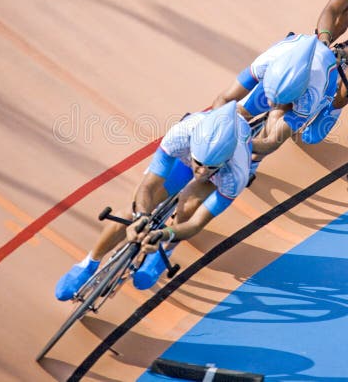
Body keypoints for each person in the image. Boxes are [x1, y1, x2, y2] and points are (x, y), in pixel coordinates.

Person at [55, 100, 252, 298]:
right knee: (131, 212)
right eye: (199, 163)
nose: (200, 172)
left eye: (209, 167)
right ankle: (89, 262)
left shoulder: (236, 175)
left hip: (217, 178)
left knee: (189, 207)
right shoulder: (181, 135)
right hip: (183, 159)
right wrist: (141, 215)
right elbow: (148, 186)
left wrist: (165, 234)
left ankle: (165, 252)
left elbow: (196, 223)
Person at [212, 33, 348, 165]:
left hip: (324, 79)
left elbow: (272, 142)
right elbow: (225, 98)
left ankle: (254, 162)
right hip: (291, 60)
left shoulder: (309, 98)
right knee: (240, 112)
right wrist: (218, 127)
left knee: (281, 121)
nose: (271, 104)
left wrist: (241, 146)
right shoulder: (263, 64)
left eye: (277, 100)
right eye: (271, 96)